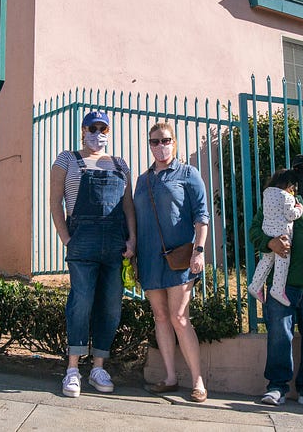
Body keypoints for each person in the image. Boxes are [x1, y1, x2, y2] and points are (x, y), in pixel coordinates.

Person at [49, 110, 137, 398]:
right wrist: (66, 238)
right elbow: (55, 200)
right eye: (93, 127)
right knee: (81, 301)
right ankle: (73, 369)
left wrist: (132, 240)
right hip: (82, 240)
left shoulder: (120, 164)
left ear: (109, 132)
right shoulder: (67, 158)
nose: (98, 132)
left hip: (115, 242)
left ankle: (98, 366)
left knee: (111, 305)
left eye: (103, 128)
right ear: (83, 129)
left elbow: (127, 207)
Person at [249, 153, 303, 410]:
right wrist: (269, 242)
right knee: (279, 335)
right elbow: (255, 230)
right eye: (299, 170)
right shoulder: (276, 197)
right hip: (283, 282)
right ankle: (277, 386)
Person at [134, 122, 210, 403]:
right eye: (154, 141)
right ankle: (169, 377)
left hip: (179, 259)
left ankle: (198, 381)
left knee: (179, 317)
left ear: (174, 142)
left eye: (165, 140)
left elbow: (201, 217)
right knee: (161, 316)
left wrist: (199, 251)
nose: (160, 146)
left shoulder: (188, 174)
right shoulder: (144, 180)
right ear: (150, 145)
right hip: (149, 259)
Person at [247, 168, 303, 306]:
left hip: (268, 232)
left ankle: (255, 285)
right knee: (283, 259)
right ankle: (278, 289)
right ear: (289, 185)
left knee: (267, 259)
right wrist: (299, 208)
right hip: (282, 233)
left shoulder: (267, 194)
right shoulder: (287, 197)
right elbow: (291, 215)